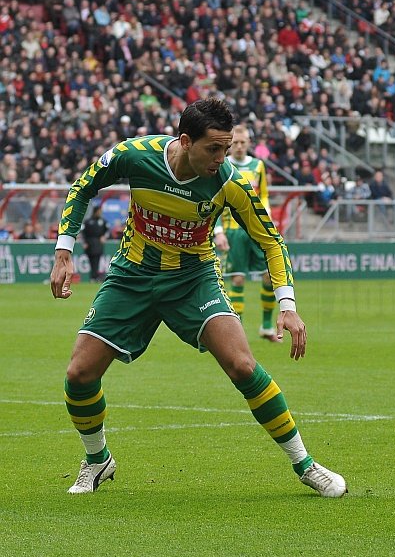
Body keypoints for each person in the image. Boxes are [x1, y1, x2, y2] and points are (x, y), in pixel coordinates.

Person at [49, 98, 346, 498]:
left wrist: (287, 306)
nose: (222, 158)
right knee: (79, 375)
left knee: (242, 365)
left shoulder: (230, 181)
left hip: (193, 278)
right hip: (132, 274)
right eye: (214, 148)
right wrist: (63, 252)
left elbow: (271, 241)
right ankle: (97, 460)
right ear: (185, 141)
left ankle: (306, 465)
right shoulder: (134, 156)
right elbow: (83, 186)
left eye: (227, 148)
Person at [213, 124, 279, 341]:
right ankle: (237, 329)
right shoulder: (221, 165)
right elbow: (215, 200)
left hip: (255, 229)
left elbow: (264, 195)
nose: (239, 147)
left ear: (249, 144)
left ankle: (267, 326)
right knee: (237, 279)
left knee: (269, 275)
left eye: (243, 143)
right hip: (232, 231)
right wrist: (219, 231)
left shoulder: (258, 165)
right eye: (236, 143)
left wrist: (267, 215)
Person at [81, 206, 108, 281]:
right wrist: (84, 242)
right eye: (99, 211)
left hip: (98, 243)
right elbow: (83, 233)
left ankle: (95, 276)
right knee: (91, 260)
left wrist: (104, 236)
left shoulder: (103, 221)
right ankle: (93, 276)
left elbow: (107, 231)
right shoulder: (88, 221)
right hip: (90, 243)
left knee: (97, 260)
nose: (100, 213)